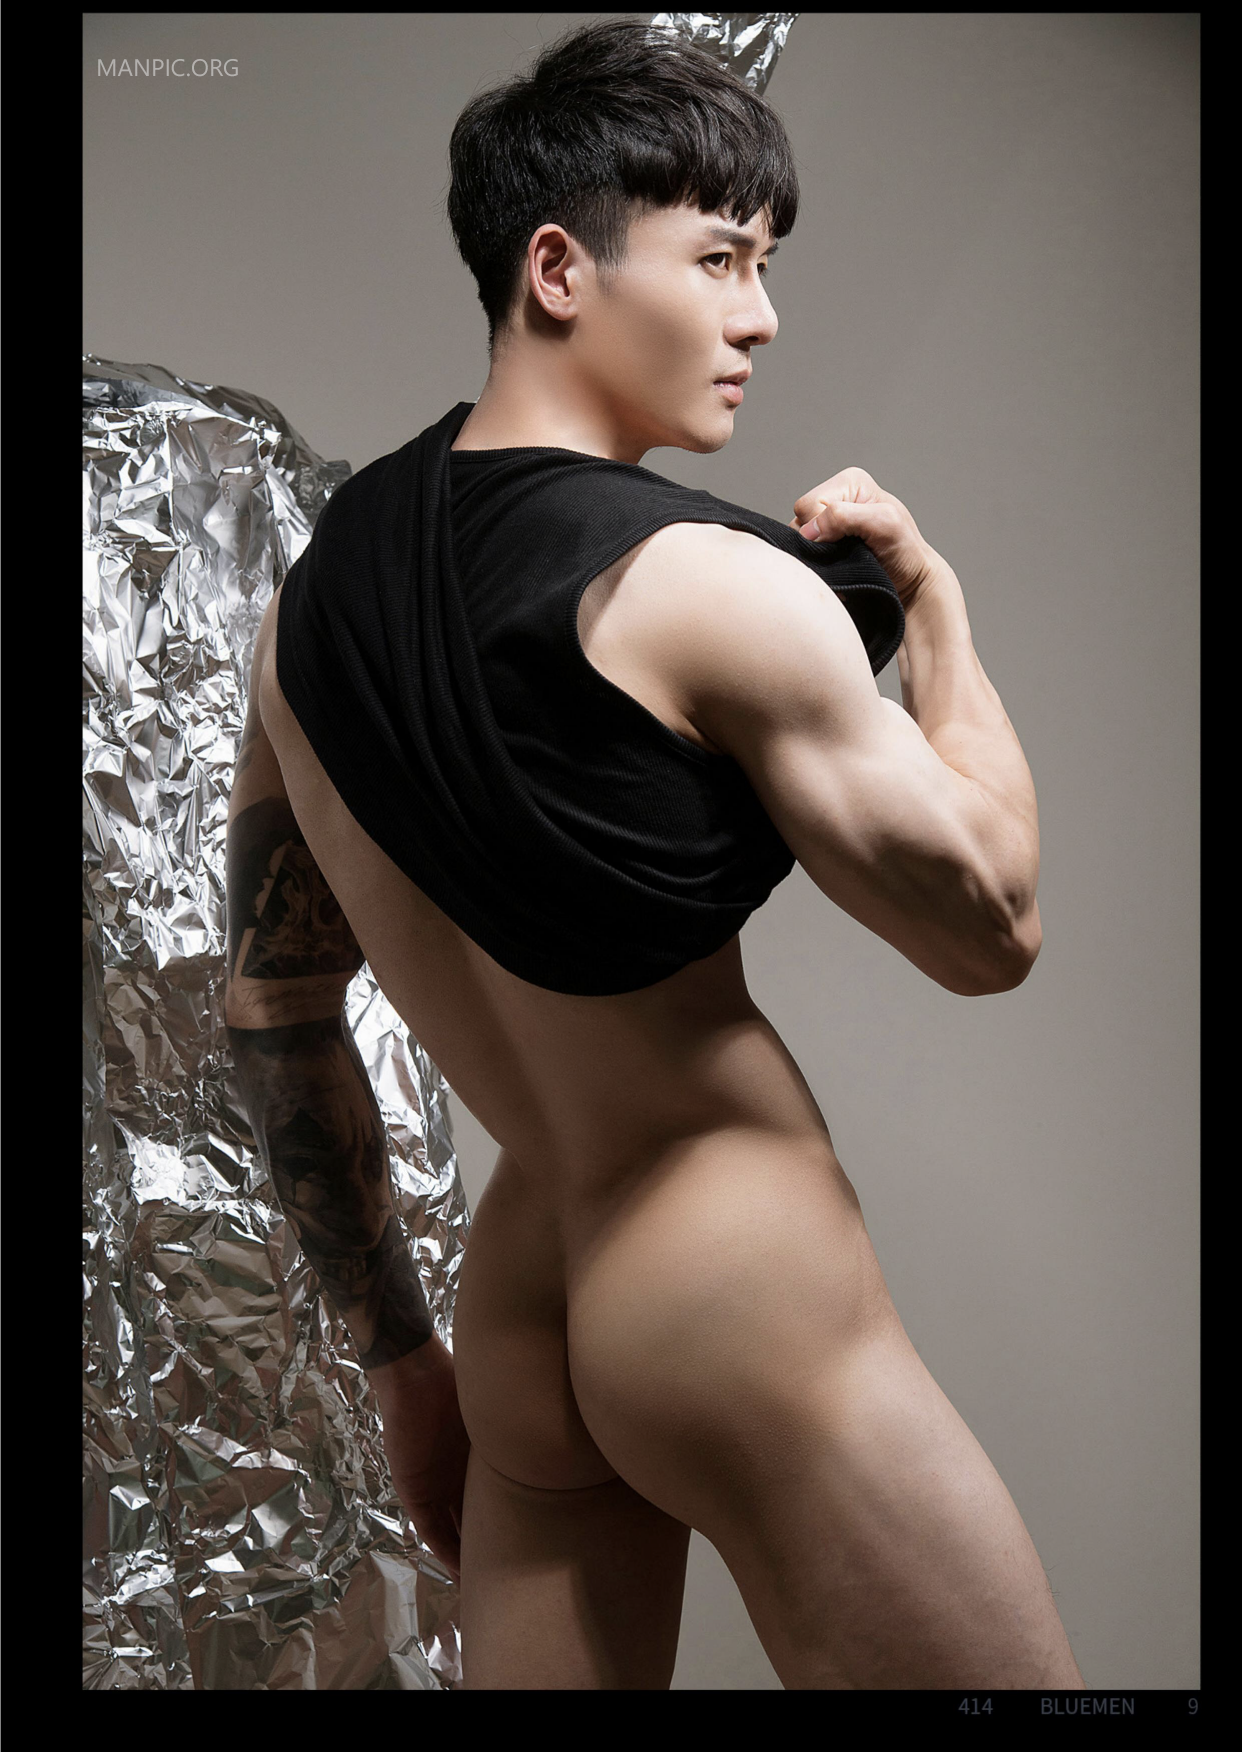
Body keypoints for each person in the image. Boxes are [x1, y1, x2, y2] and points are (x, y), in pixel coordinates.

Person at [225, 17, 1085, 1691]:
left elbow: (273, 1015)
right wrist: (934, 607)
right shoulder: (707, 582)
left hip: (524, 1301)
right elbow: (990, 924)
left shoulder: (303, 618)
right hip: (726, 1270)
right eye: (718, 260)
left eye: (764, 268)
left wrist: (405, 1365)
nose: (759, 316)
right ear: (557, 269)